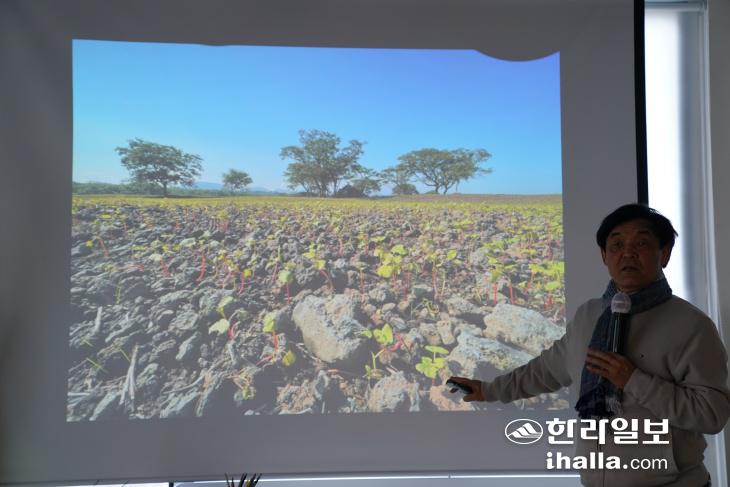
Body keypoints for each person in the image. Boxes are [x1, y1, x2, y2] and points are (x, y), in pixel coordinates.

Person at [449, 204, 730, 487]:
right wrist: (488, 390)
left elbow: (711, 414)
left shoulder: (691, 325)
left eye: (641, 244)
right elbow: (545, 370)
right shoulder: (589, 315)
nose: (628, 253)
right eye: (617, 245)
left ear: (665, 253)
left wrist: (634, 380)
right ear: (604, 256)